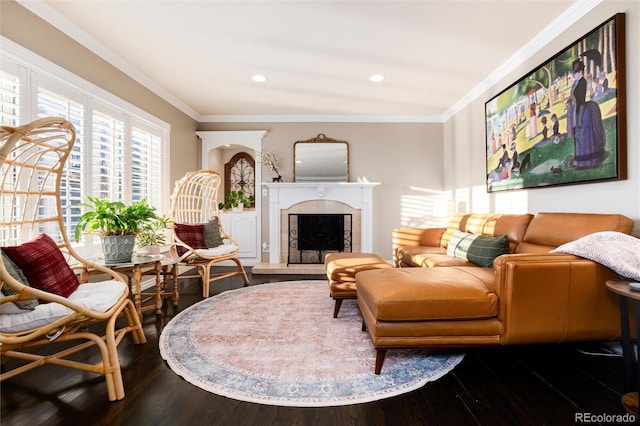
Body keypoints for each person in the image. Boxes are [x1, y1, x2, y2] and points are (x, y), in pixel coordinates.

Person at [569, 59, 607, 169]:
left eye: (576, 72)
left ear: (580, 72)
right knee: (579, 136)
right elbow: (574, 97)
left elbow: (580, 101)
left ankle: (589, 160)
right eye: (574, 72)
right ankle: (580, 160)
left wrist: (580, 118)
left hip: (583, 111)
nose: (574, 74)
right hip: (577, 110)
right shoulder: (576, 83)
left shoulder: (582, 82)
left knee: (584, 135)